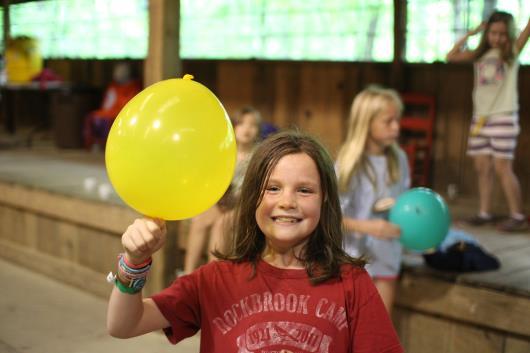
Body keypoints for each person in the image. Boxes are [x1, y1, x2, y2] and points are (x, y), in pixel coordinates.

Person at [107, 130, 404, 353]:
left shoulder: (352, 283)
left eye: (304, 190)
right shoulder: (215, 280)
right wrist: (134, 262)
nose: (287, 201)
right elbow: (124, 325)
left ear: (325, 199)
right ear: (252, 199)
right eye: (273, 188)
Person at [446, 11, 530, 232]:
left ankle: (518, 215)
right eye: (493, 33)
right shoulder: (479, 54)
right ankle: (485, 213)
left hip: (504, 117)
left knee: (503, 168)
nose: (498, 38)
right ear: (487, 33)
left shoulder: (511, 52)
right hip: (480, 119)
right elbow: (451, 56)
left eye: (503, 34)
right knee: (482, 168)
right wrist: (472, 33)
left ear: (509, 35)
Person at [336, 86, 410, 314]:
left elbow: (404, 204)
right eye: (388, 121)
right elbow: (331, 218)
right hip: (353, 260)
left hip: (387, 256)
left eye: (397, 120)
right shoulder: (349, 164)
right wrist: (368, 227)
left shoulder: (399, 158)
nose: (396, 127)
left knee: (380, 331)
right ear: (366, 122)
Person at [182, 107, 262, 274]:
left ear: (258, 130)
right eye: (242, 124)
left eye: (252, 125)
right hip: (224, 201)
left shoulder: (259, 155)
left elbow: (256, 189)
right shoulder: (226, 151)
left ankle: (212, 277)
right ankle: (187, 275)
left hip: (245, 205)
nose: (247, 129)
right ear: (234, 127)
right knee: (200, 220)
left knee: (221, 224)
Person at [83, 62, 141, 150]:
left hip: (124, 113)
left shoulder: (134, 87)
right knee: (94, 117)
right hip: (110, 112)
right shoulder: (113, 87)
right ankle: (97, 143)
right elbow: (107, 106)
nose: (118, 73)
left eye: (122, 71)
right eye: (117, 71)